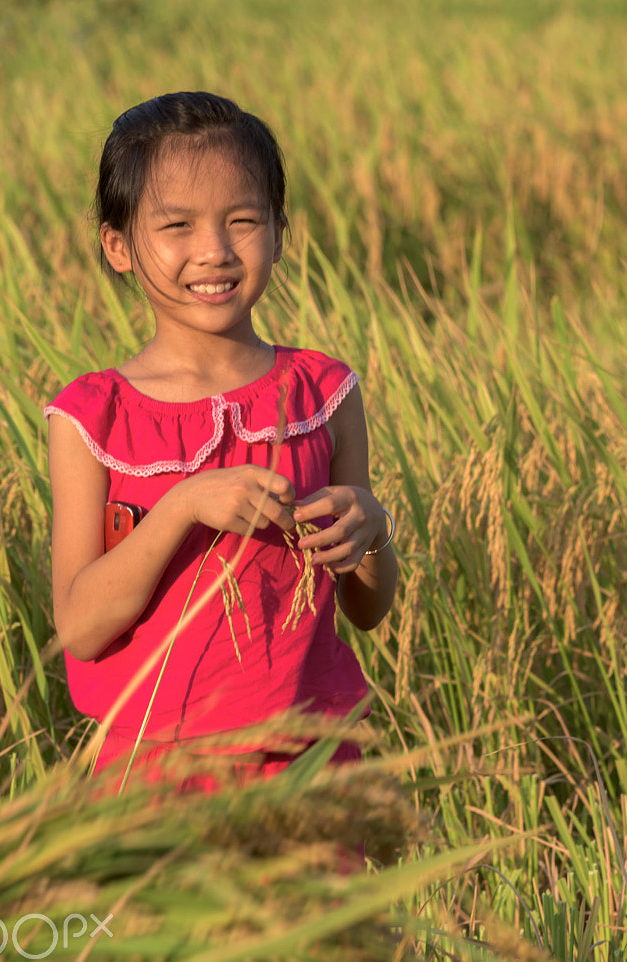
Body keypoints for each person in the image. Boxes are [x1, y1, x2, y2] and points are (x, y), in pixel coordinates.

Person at [45, 91, 399, 792]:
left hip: (311, 765)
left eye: (242, 220)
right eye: (176, 225)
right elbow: (81, 629)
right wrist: (180, 508)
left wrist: (375, 529)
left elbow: (368, 609)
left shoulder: (323, 395)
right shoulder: (92, 418)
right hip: (156, 774)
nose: (214, 251)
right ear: (118, 246)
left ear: (278, 231)